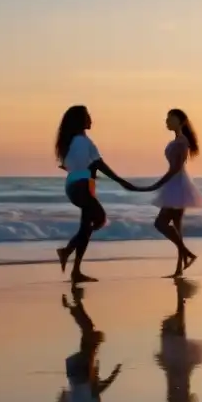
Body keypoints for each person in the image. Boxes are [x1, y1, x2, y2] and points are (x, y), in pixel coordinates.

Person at [55, 105, 144, 284]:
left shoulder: (73, 141)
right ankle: (67, 251)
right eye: (87, 116)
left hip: (77, 185)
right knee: (100, 219)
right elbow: (99, 164)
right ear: (80, 120)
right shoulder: (82, 141)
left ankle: (75, 270)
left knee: (86, 226)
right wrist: (121, 181)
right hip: (82, 186)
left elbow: (73, 165)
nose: (91, 119)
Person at [145, 109, 202, 278]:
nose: (167, 121)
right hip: (178, 185)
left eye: (170, 119)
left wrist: (157, 184)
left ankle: (187, 254)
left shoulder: (181, 142)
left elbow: (176, 168)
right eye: (167, 118)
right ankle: (180, 267)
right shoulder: (179, 140)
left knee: (160, 223)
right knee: (176, 227)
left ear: (180, 121)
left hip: (176, 185)